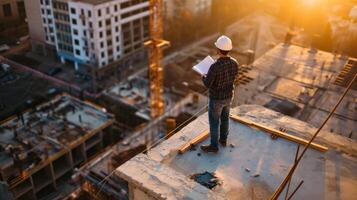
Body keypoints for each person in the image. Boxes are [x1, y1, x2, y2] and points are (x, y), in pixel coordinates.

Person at [201, 35, 239, 153]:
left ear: (218, 50)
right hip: (228, 96)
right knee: (225, 118)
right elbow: (234, 78)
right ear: (229, 49)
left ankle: (214, 146)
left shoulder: (214, 66)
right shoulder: (235, 63)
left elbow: (208, 84)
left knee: (214, 122)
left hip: (216, 99)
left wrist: (203, 76)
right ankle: (223, 140)